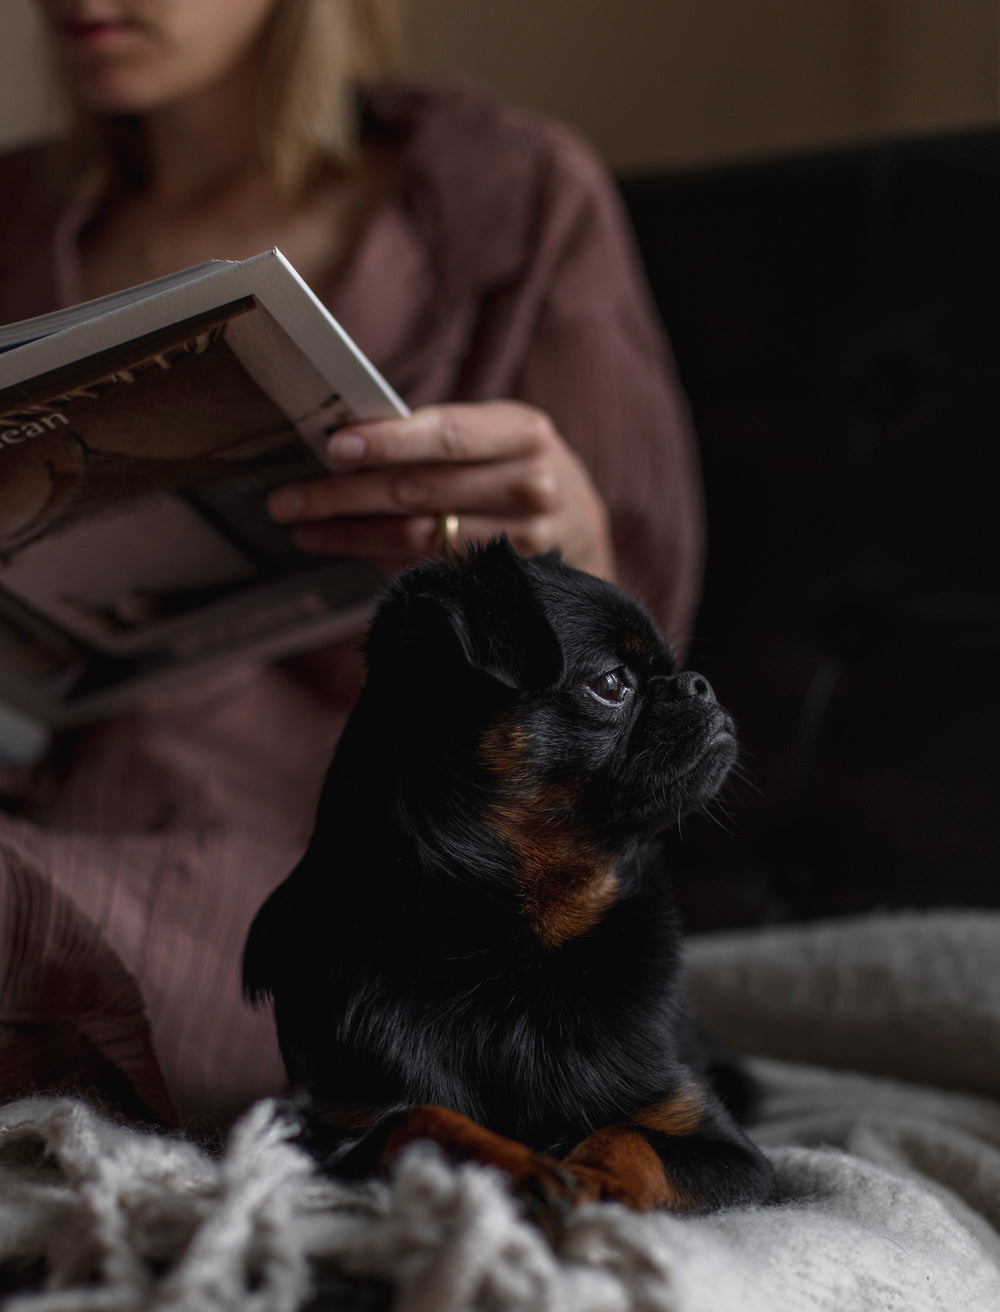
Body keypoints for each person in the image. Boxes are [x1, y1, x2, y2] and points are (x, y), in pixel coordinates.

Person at [0, 0, 703, 1131]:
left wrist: (566, 541)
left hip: (309, 849)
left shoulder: (508, 204)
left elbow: (642, 661)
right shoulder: (17, 214)